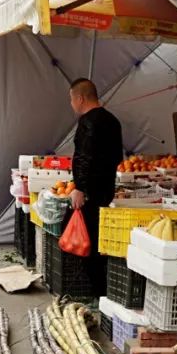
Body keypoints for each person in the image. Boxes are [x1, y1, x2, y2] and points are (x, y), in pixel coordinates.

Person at [69, 78, 124, 296]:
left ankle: (96, 292)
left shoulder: (88, 122)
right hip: (106, 189)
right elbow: (116, 157)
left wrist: (80, 187)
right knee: (97, 240)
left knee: (85, 242)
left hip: (90, 192)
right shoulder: (113, 121)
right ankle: (100, 290)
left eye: (71, 99)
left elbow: (85, 156)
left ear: (80, 98)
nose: (71, 104)